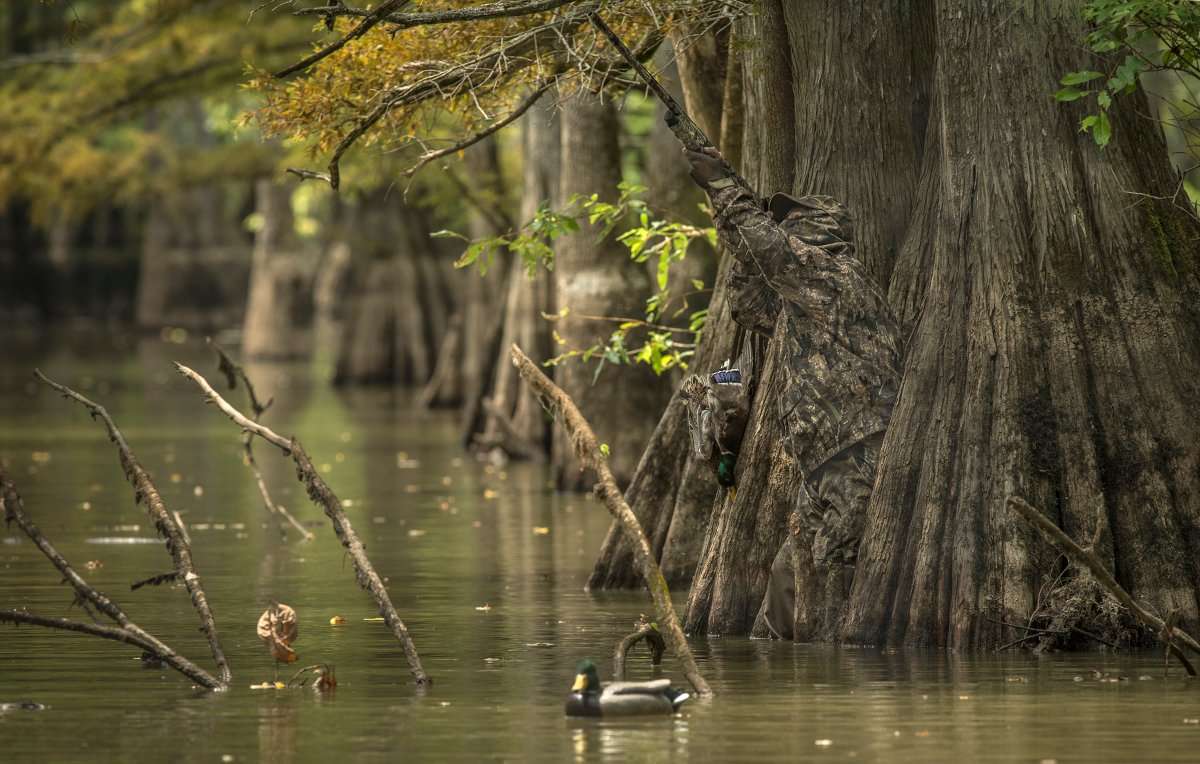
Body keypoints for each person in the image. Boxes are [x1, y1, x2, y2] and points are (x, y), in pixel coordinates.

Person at [684, 147, 903, 639]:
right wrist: (743, 236)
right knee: (789, 581)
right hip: (821, 466)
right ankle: (782, 683)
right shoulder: (802, 303)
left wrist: (723, 187)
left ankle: (844, 684)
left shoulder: (834, 277)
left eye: (792, 221)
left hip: (856, 456)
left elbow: (773, 253)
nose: (783, 230)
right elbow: (747, 306)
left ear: (821, 232)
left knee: (836, 573)